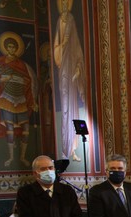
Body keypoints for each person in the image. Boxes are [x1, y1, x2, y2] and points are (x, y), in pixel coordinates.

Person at [0, 33, 38, 168]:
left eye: (14, 47)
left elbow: (29, 82)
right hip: (7, 99)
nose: (11, 49)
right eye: (9, 47)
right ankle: (10, 158)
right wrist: (3, 79)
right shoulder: (0, 62)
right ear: (6, 48)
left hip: (20, 99)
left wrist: (31, 98)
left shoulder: (21, 64)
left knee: (25, 129)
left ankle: (22, 157)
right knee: (9, 128)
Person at [53, 0, 86, 162]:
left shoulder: (75, 46)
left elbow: (79, 57)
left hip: (72, 85)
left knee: (73, 112)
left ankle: (72, 149)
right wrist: (63, 45)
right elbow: (56, 53)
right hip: (64, 81)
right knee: (66, 111)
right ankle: (65, 150)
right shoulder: (61, 46)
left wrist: (78, 70)